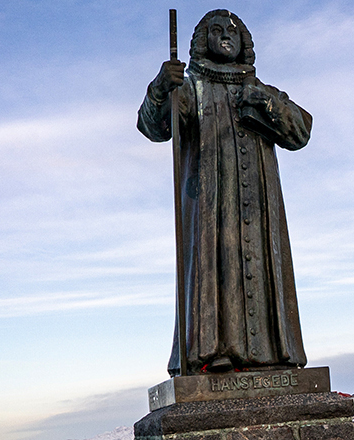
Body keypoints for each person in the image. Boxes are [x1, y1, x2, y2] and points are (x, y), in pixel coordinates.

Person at [138, 9, 313, 376]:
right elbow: (154, 127)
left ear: (244, 42)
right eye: (215, 30)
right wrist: (160, 88)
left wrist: (266, 102)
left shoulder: (260, 88)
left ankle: (272, 354)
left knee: (263, 266)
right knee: (215, 268)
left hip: (261, 209)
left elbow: (301, 132)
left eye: (233, 30)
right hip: (211, 206)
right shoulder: (191, 88)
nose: (225, 35)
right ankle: (210, 352)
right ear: (203, 40)